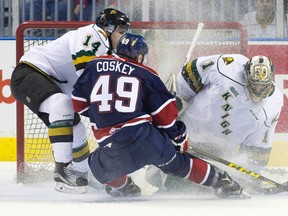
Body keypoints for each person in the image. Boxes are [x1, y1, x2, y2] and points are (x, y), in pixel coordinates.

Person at [71, 33, 247, 198]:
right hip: (146, 138)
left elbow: (77, 103)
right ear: (140, 56)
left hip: (112, 144)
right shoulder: (146, 74)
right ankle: (222, 181)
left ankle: (126, 188)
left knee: (99, 167)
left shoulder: (95, 65)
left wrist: (99, 114)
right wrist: (179, 138)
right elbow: (165, 116)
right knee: (177, 164)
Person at [10, 8, 130, 194]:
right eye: (121, 32)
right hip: (30, 73)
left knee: (78, 130)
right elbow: (88, 79)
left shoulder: (108, 53)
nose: (123, 37)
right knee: (62, 105)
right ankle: (62, 170)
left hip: (52, 83)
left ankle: (83, 172)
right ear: (108, 28)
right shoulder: (92, 34)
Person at [146, 54, 283, 192]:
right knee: (156, 175)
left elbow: (259, 146)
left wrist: (252, 174)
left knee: (193, 189)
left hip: (219, 152)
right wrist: (177, 100)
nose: (257, 90)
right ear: (246, 74)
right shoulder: (228, 65)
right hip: (184, 133)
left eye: (262, 86)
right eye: (254, 85)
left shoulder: (273, 104)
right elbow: (192, 71)